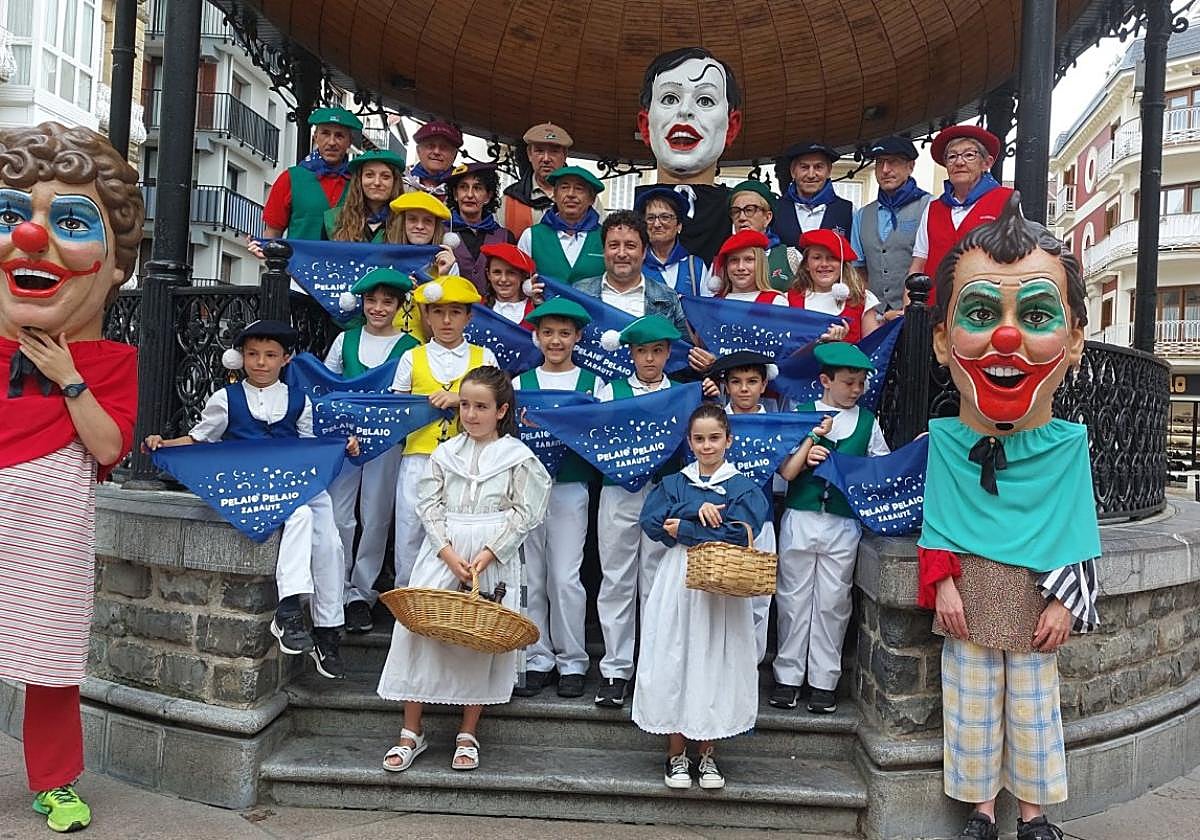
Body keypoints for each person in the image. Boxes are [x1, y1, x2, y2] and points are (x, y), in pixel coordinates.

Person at [918, 193, 1097, 840]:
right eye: (982, 313)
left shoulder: (1068, 445)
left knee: (1032, 706)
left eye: (1038, 314)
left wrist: (1064, 603)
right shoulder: (945, 441)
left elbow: (1077, 528)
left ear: (1074, 339)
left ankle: (1034, 814)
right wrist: (941, 583)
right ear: (942, 340)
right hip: (968, 590)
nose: (1006, 336)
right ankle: (980, 811)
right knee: (968, 707)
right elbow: (936, 520)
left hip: (1034, 593)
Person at [0, 121, 142, 834]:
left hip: (51, 521)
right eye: (10, 215)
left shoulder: (111, 361)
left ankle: (55, 782)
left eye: (71, 221)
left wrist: (68, 378)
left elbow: (110, 445)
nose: (30, 238)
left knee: (50, 657)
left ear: (116, 266)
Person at [145, 320, 358, 681]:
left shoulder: (298, 399)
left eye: (270, 355)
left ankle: (327, 629)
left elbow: (308, 444)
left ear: (285, 359)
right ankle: (288, 608)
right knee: (302, 517)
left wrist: (343, 445)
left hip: (292, 478)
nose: (261, 362)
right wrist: (163, 445)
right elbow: (200, 440)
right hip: (250, 482)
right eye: (253, 354)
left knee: (331, 543)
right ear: (241, 357)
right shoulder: (225, 399)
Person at [377, 366, 551, 772]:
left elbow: (528, 510)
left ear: (501, 410)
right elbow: (428, 504)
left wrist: (491, 552)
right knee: (419, 631)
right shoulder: (445, 453)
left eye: (481, 407)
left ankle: (468, 731)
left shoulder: (518, 458)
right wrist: (445, 551)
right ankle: (411, 731)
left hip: (491, 552)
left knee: (481, 634)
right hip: (447, 548)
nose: (471, 414)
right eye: (466, 405)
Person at [634, 403, 771, 790]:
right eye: (699, 439)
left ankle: (707, 752)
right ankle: (675, 753)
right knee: (676, 657)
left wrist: (689, 528)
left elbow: (741, 533)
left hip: (719, 583)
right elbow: (652, 522)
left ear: (729, 439)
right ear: (689, 442)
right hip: (678, 578)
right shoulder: (676, 482)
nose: (706, 446)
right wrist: (698, 507)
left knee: (713, 658)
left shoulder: (744, 487)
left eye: (714, 438)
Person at [771, 342, 890, 713]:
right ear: (826, 380)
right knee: (793, 597)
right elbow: (781, 467)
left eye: (860, 383)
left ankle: (824, 679)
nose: (856, 390)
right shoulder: (802, 414)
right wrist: (806, 457)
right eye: (849, 382)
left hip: (842, 522)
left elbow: (880, 470)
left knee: (833, 601)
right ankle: (787, 676)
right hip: (802, 516)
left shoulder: (868, 422)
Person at [591, 315, 686, 708]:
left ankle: (652, 667)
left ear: (667, 353)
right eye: (642, 351)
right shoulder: (609, 391)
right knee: (616, 577)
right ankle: (615, 669)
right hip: (619, 492)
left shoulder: (683, 392)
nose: (649, 359)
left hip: (662, 493)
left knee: (657, 581)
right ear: (630, 353)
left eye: (657, 351)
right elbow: (593, 437)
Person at [512, 299, 604, 698]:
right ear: (536, 335)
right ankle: (537, 656)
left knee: (566, 576)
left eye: (564, 333)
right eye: (548, 332)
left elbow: (599, 436)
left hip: (570, 485)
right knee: (532, 575)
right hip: (528, 490)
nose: (556, 340)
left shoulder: (592, 384)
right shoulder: (519, 384)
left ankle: (572, 659)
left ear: (578, 337)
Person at [324, 269, 420, 634]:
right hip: (344, 442)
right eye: (371, 301)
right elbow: (327, 384)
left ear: (398, 306)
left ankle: (360, 594)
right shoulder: (344, 339)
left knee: (377, 516)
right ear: (361, 303)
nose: (378, 308)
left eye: (387, 302)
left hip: (386, 442)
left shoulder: (411, 347)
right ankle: (334, 587)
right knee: (338, 516)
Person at [389, 276, 499, 588]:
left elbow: (498, 406)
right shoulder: (412, 357)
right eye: (437, 312)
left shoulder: (484, 357)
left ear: (469, 316)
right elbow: (398, 415)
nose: (446, 320)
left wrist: (460, 400)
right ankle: (407, 610)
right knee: (409, 533)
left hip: (469, 463)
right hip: (419, 459)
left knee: (462, 539)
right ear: (426, 315)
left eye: (455, 312)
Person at [634, 47, 744, 263]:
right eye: (669, 98)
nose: (684, 110)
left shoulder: (741, 218)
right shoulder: (623, 228)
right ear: (646, 126)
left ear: (731, 127)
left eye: (705, 100)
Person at [707, 350, 781, 662]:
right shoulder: (715, 423)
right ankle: (717, 670)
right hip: (719, 523)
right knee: (717, 602)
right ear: (726, 386)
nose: (744, 389)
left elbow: (787, 471)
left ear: (764, 385)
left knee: (759, 601)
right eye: (736, 382)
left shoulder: (775, 422)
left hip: (760, 523)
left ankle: (748, 670)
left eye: (752, 381)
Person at [908, 125, 1015, 301]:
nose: (959, 162)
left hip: (985, 310)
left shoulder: (1006, 200)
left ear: (986, 163)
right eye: (952, 157)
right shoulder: (933, 208)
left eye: (969, 155)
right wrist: (910, 311)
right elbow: (917, 265)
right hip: (936, 313)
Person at [850, 136, 930, 312]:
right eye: (880, 162)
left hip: (918, 313)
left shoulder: (929, 207)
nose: (885, 170)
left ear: (911, 166)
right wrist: (870, 309)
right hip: (875, 316)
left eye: (893, 162)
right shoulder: (863, 214)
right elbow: (859, 269)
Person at [262, 107, 363, 240]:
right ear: (315, 137)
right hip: (299, 261)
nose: (332, 142)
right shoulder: (290, 178)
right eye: (325, 133)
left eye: (339, 135)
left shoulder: (359, 183)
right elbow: (272, 233)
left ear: (349, 142)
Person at [788, 229, 882, 342]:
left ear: (842, 264)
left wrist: (840, 345)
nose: (824, 264)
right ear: (807, 264)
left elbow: (873, 349)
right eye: (817, 258)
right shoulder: (788, 300)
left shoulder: (862, 299)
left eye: (832, 258)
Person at [517, 165, 605, 284]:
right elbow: (518, 280)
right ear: (555, 195)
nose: (571, 194)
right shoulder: (531, 236)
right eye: (564, 187)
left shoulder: (605, 238)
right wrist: (528, 288)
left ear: (592, 199)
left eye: (579, 189)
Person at [445, 163, 517, 294]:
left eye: (477, 188)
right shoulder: (441, 231)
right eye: (463, 187)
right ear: (455, 194)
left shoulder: (505, 237)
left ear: (488, 196)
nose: (470, 195)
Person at [773, 141, 854, 246]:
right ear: (793, 171)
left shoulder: (847, 210)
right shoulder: (775, 209)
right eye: (804, 167)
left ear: (829, 171)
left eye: (818, 167)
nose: (811, 175)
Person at [634, 187, 711, 297]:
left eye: (665, 217)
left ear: (679, 226)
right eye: (650, 218)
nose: (657, 224)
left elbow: (705, 309)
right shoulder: (635, 264)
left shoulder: (695, 266)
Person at [503, 122, 572, 238]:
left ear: (565, 155)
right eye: (539, 151)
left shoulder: (586, 198)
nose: (546, 159)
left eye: (554, 151)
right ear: (529, 154)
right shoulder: (508, 201)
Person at [728, 179, 798, 291]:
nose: (741, 217)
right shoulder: (723, 258)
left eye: (749, 210)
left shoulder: (790, 256)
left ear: (767, 217)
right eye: (736, 211)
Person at [323, 149, 407, 242]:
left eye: (385, 176)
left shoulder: (407, 221)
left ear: (395, 182)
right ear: (359, 180)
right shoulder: (334, 220)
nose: (377, 182)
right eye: (369, 175)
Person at [388, 191, 458, 276]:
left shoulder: (447, 261)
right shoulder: (385, 258)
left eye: (428, 221)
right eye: (412, 219)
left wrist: (443, 274)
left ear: (436, 226)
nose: (420, 226)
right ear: (403, 223)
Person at [710, 230, 788, 305]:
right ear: (726, 265)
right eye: (734, 260)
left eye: (749, 259)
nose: (741, 267)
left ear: (760, 264)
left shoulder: (776, 302)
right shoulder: (713, 303)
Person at [403, 120, 462, 200]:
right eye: (430, 146)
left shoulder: (463, 189)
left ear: (455, 154)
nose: (436, 152)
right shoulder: (399, 184)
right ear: (418, 150)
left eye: (444, 147)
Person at [481, 243, 537, 328]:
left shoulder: (535, 312)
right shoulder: (477, 309)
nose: (503, 279)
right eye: (497, 272)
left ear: (522, 276)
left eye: (511, 273)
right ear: (488, 275)